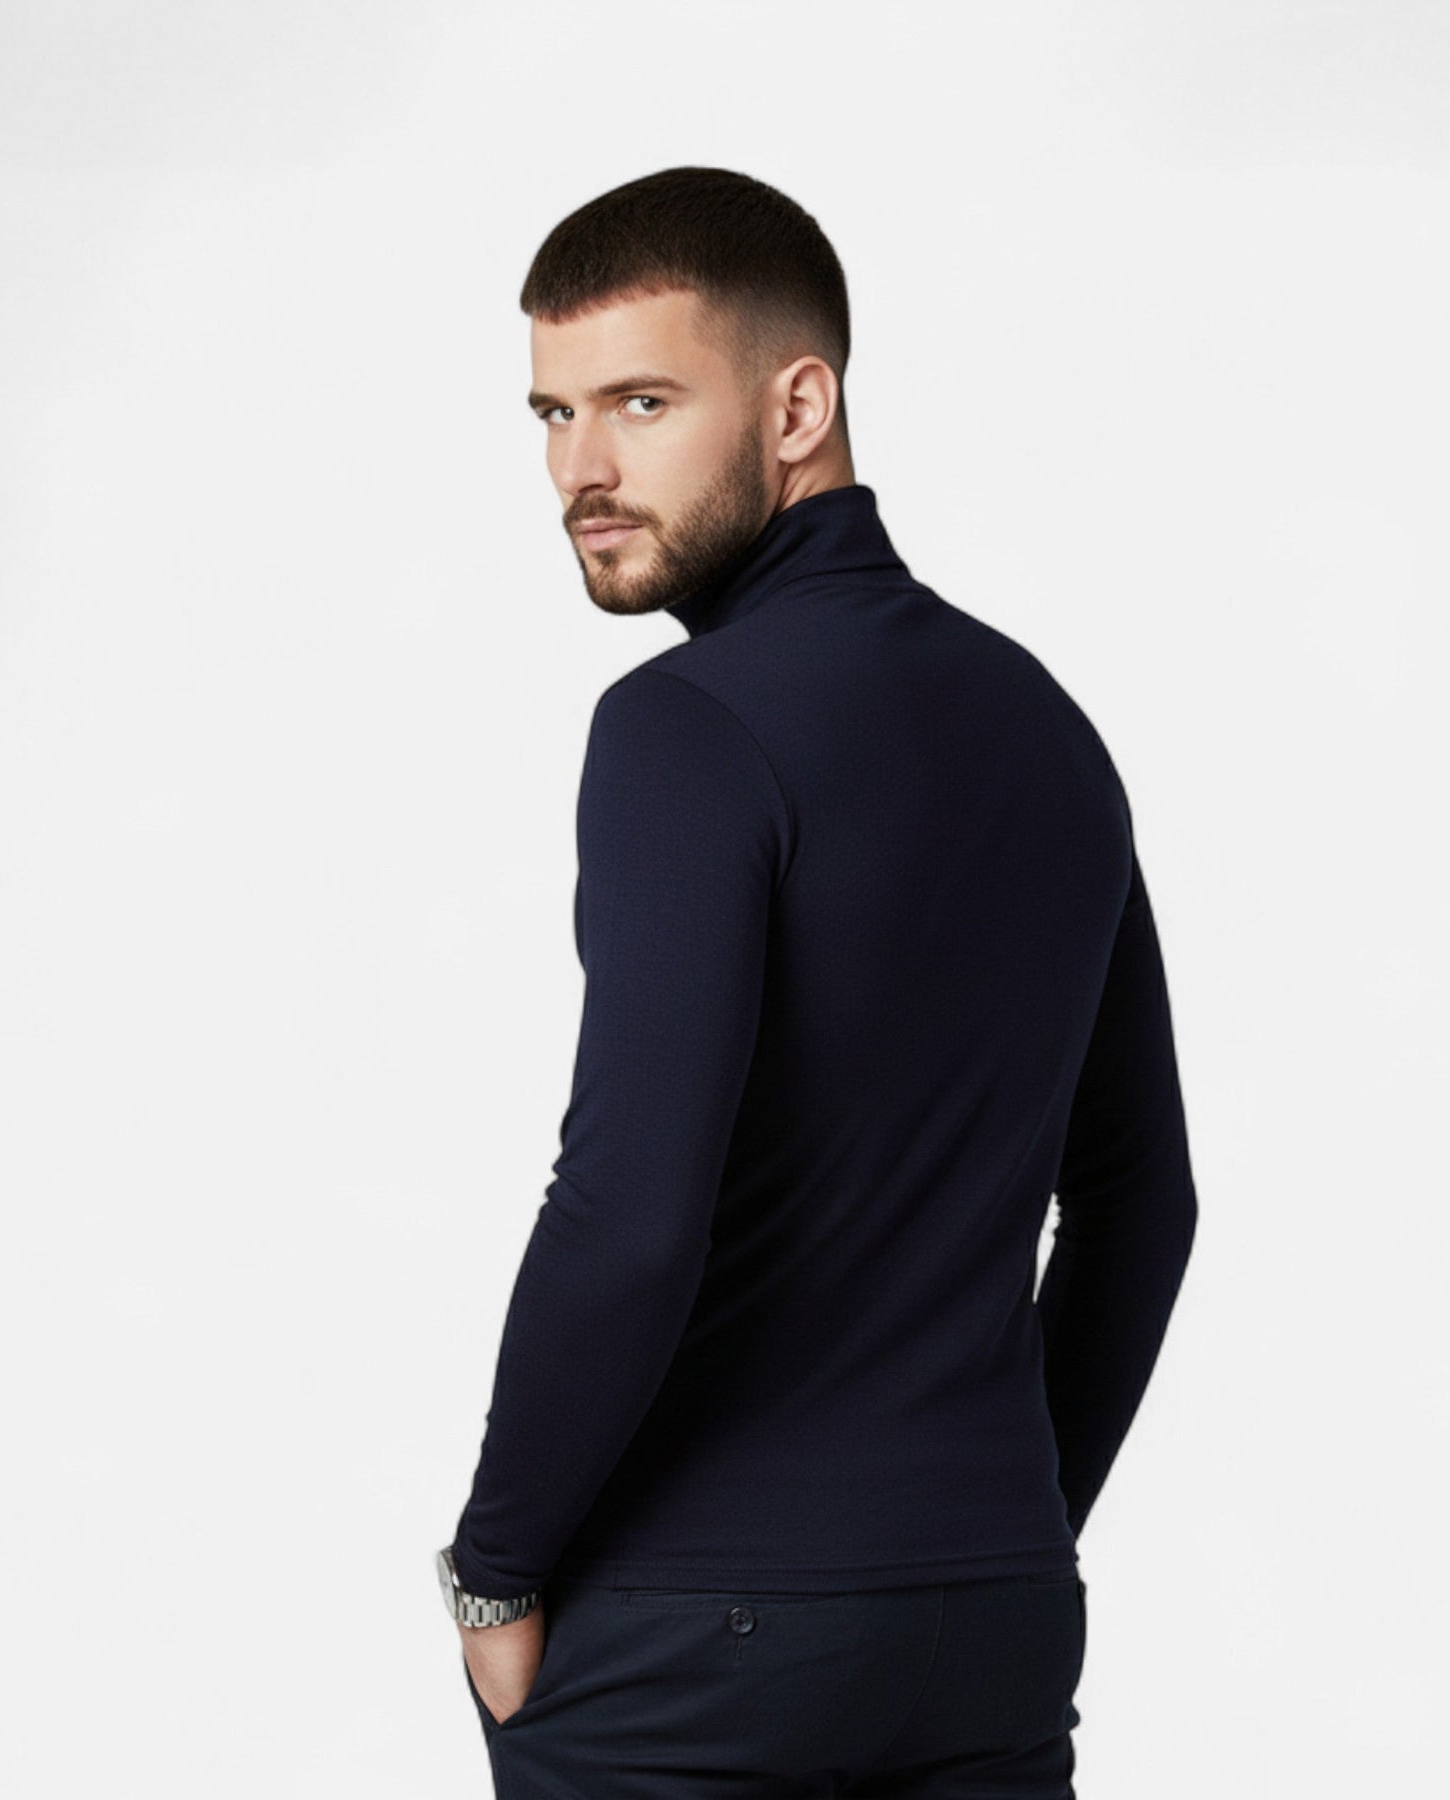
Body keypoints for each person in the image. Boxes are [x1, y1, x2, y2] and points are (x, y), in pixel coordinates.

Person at [439, 165, 1199, 1798]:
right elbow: (1145, 1203)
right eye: (554, 413)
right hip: (988, 1626)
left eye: (642, 403)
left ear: (799, 407)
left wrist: (493, 1568)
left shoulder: (685, 730)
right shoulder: (1046, 730)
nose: (581, 469)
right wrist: (998, 1528)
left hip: (695, 1643)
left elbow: (630, 1212)